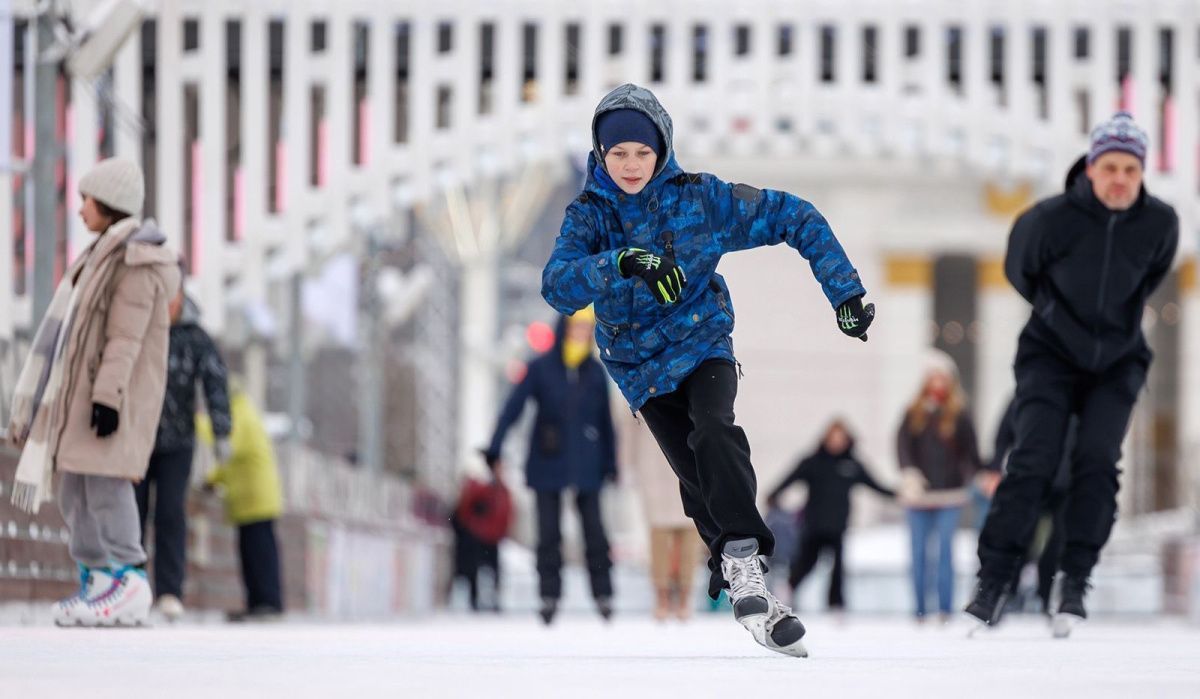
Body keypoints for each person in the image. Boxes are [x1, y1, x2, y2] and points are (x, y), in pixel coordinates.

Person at [541, 83, 874, 657]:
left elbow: (796, 216)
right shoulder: (588, 216)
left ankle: (745, 562)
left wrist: (843, 292)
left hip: (702, 344)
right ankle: (758, 604)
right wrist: (623, 262)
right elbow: (558, 286)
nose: (630, 165)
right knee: (697, 483)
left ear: (662, 150)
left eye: (642, 153)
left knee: (714, 430)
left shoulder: (701, 200)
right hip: (639, 366)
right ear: (599, 153)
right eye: (617, 153)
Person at [966, 113, 1178, 638]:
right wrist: (1061, 319)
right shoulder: (1047, 220)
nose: (1120, 179)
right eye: (1110, 167)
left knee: (1097, 463)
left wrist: (1114, 330)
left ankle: (1074, 580)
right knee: (1034, 461)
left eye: (1131, 169)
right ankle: (993, 582)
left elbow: (1152, 276)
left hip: (1118, 362)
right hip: (1050, 356)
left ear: (1142, 172)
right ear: (1090, 166)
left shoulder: (1161, 223)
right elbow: (1022, 272)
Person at [7, 157, 180, 627]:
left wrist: (107, 398)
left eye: (87, 199)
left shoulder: (136, 262)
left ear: (109, 204)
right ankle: (100, 578)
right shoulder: (98, 256)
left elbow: (125, 338)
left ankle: (130, 577)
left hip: (106, 400)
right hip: (78, 398)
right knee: (74, 491)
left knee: (105, 487)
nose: (80, 208)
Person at [483, 307, 616, 625]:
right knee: (548, 533)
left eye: (586, 332)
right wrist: (495, 447)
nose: (580, 337)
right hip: (548, 458)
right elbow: (512, 409)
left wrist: (610, 463)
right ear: (563, 330)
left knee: (594, 531)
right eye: (575, 330)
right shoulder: (541, 369)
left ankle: (603, 593)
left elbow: (605, 422)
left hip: (587, 461)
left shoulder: (595, 372)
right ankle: (549, 594)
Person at [134, 288, 232, 621]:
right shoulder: (139, 328)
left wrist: (222, 431)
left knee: (170, 513)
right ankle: (132, 584)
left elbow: (216, 381)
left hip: (178, 442)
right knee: (133, 510)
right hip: (139, 438)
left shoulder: (195, 338)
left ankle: (169, 591)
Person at [767, 419, 893, 612]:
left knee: (838, 568)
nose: (836, 442)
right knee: (806, 562)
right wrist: (774, 496)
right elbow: (789, 479)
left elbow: (875, 485)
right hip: (813, 524)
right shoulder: (813, 462)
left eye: (840, 438)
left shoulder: (852, 464)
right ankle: (788, 590)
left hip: (838, 526)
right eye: (833, 437)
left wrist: (899, 494)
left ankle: (836, 603)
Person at [896, 350, 982, 624]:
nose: (938, 384)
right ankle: (920, 609)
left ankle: (945, 608)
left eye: (942, 378)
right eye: (933, 378)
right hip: (919, 494)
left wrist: (980, 475)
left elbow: (972, 451)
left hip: (950, 493)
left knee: (946, 551)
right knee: (919, 552)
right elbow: (902, 447)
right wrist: (909, 474)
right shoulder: (913, 413)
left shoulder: (959, 414)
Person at [199, 381, 285, 621]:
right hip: (251, 500)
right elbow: (229, 461)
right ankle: (258, 603)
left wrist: (195, 422)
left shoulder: (241, 413)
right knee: (252, 554)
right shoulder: (243, 410)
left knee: (260, 554)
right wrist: (214, 478)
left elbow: (229, 444)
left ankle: (267, 602)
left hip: (255, 499)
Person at [618, 409, 704, 622]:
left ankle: (685, 595)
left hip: (688, 461)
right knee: (659, 533)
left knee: (690, 531)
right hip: (652, 464)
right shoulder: (638, 376)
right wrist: (626, 465)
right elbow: (629, 426)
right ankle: (662, 596)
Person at [450, 459, 512, 613]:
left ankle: (494, 599)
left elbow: (507, 515)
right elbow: (465, 509)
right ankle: (474, 600)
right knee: (474, 570)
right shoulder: (482, 488)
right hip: (478, 536)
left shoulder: (503, 491)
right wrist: (473, 526)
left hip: (493, 537)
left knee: (495, 571)